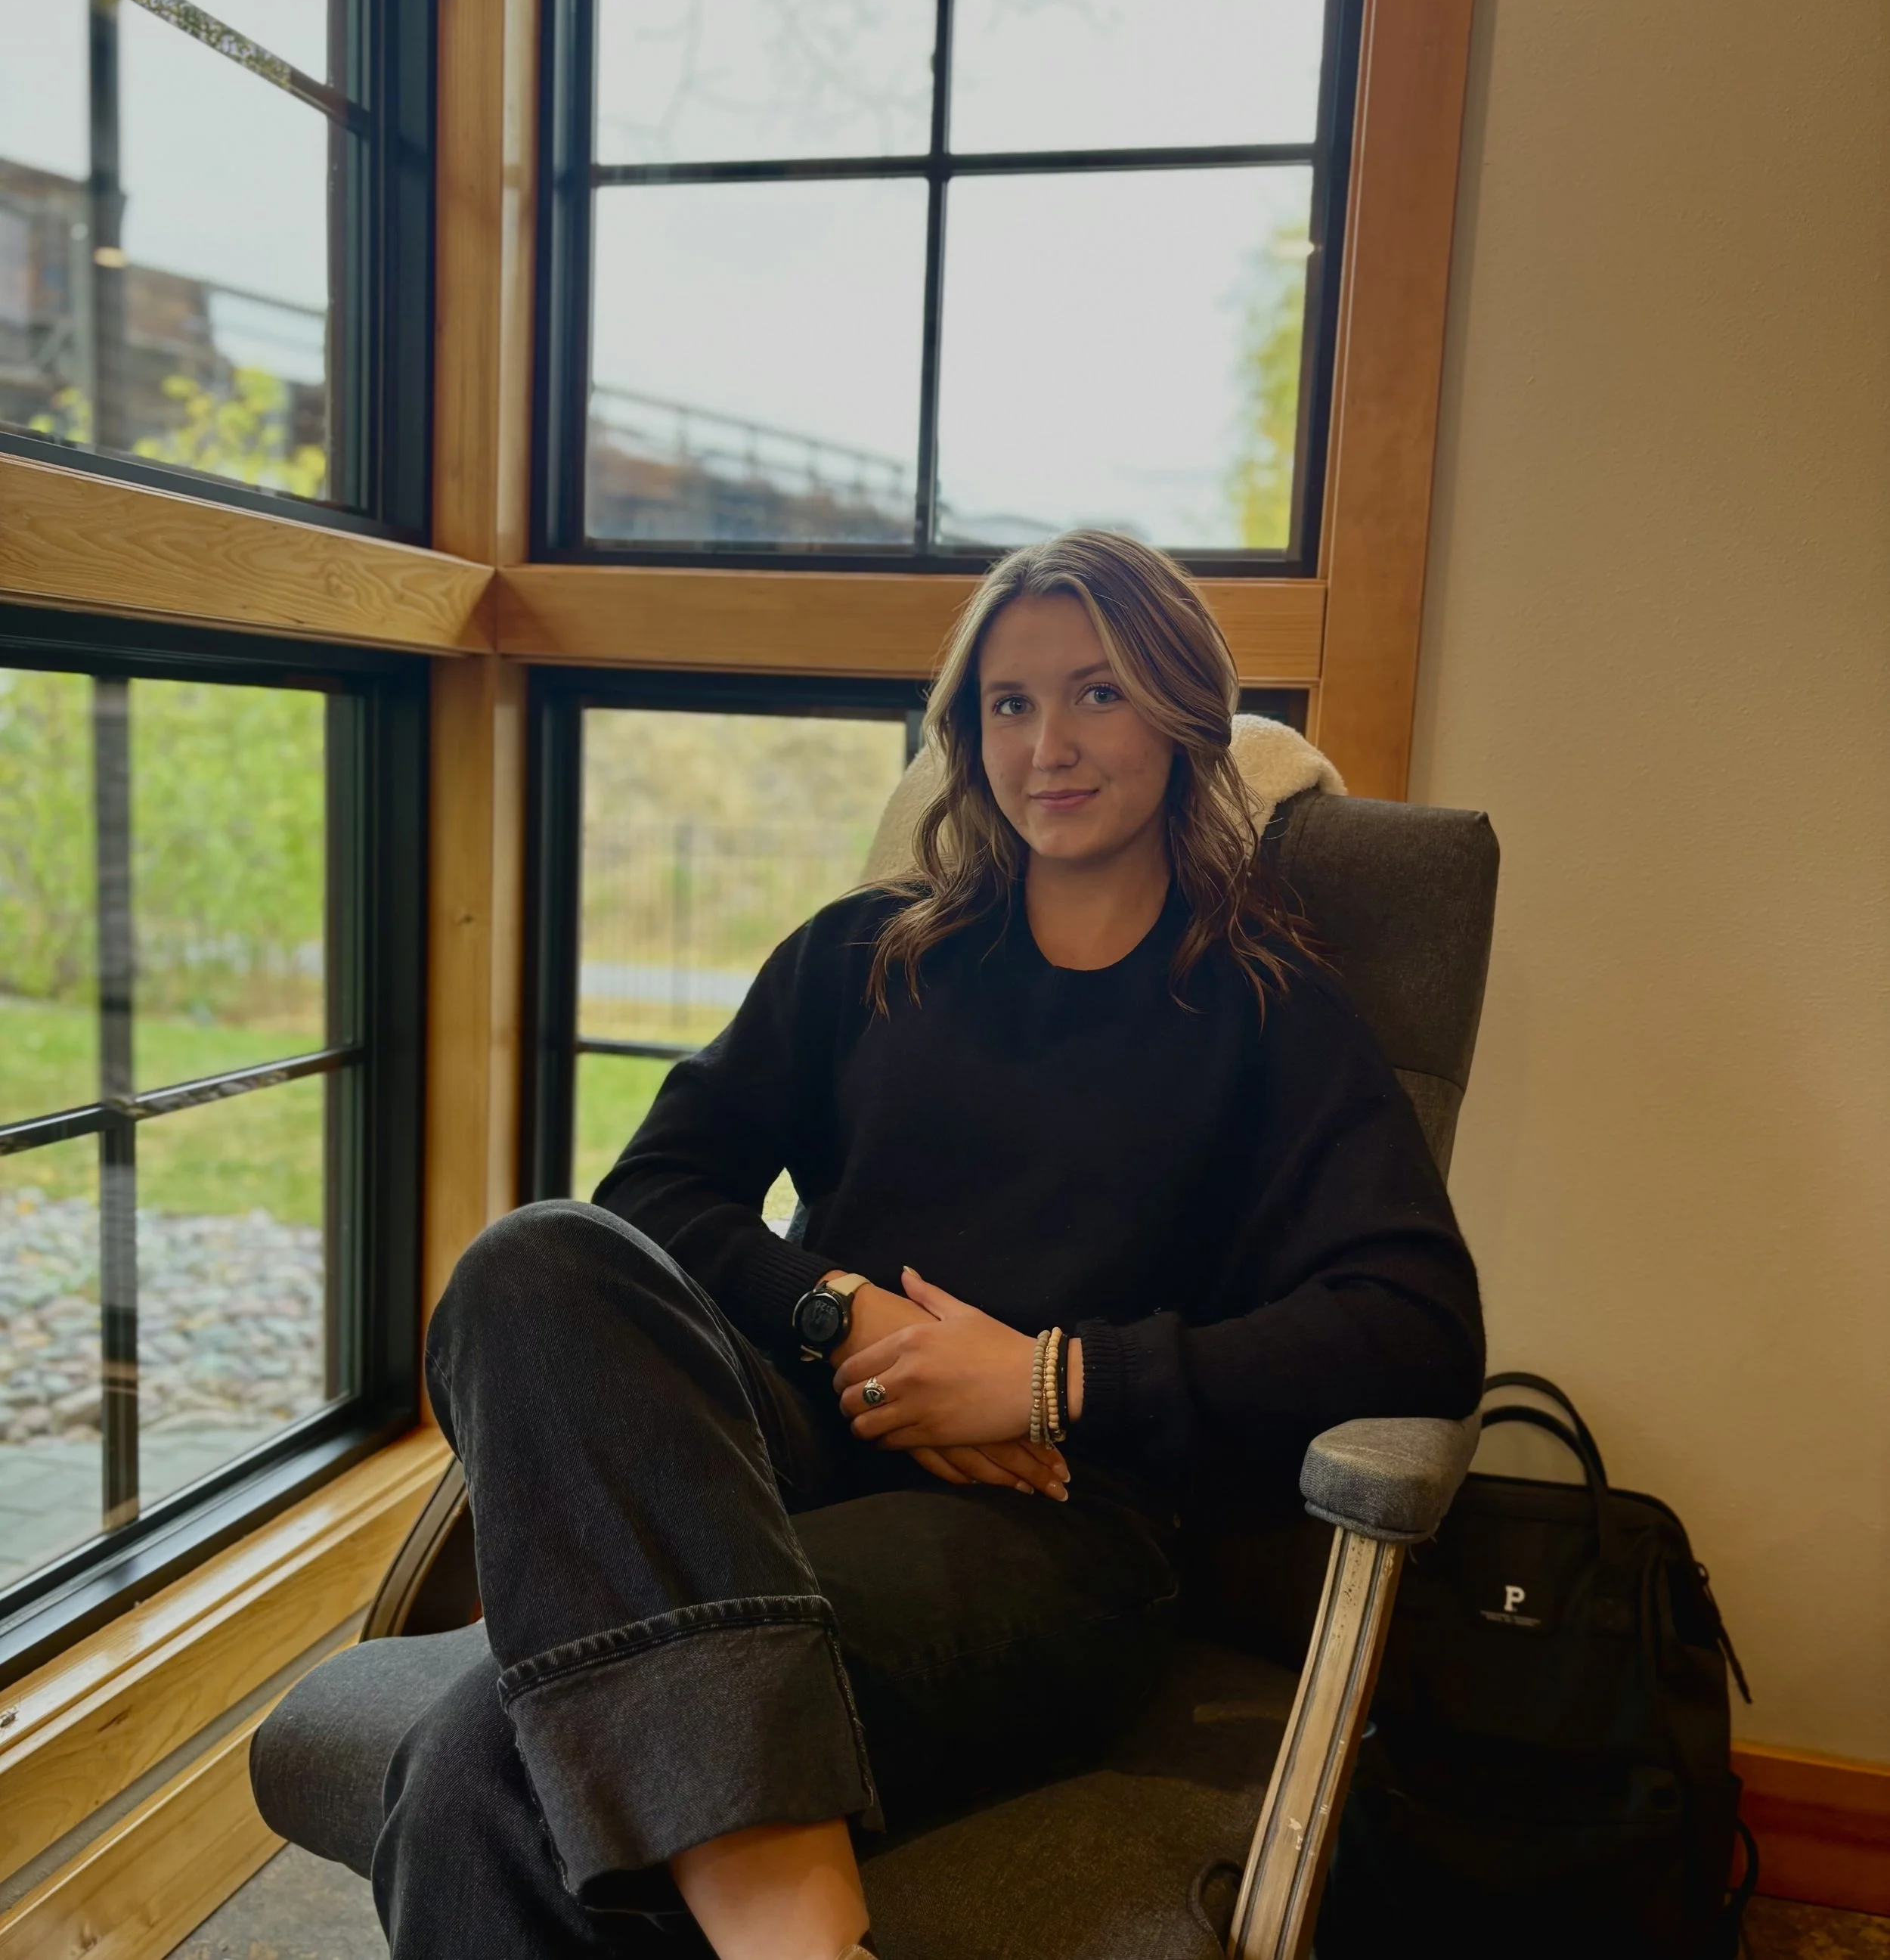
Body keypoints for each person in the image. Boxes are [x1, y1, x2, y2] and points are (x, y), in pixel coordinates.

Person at [378, 532, 1484, 1959]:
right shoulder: (862, 956)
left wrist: (1047, 1381)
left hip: (1058, 1529)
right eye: (1008, 705)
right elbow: (656, 1191)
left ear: (1181, 711)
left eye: (1096, 693)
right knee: (530, 1259)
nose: (1048, 747)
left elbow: (1419, 1324)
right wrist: (848, 1320)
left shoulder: (1272, 1017)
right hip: (781, 1462)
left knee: (484, 1753)